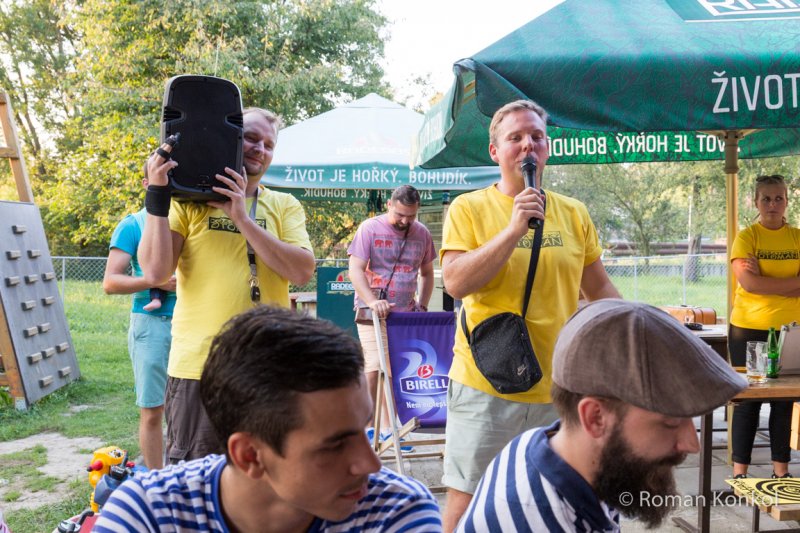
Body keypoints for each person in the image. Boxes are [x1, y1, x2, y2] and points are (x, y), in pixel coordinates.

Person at [93, 306, 443, 533]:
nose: (371, 463)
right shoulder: (149, 515)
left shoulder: (396, 514)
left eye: (364, 428)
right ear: (250, 456)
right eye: (335, 445)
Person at [438, 99, 621, 529]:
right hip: (486, 383)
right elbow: (455, 283)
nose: (527, 145)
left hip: (558, 386)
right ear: (495, 151)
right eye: (515, 137)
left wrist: (638, 329)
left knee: (555, 497)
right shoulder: (468, 208)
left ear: (548, 148)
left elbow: (599, 290)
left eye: (537, 136)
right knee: (467, 500)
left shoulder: (573, 213)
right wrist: (513, 229)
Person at [457, 299, 748, 531]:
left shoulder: (538, 445)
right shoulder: (544, 521)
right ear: (595, 417)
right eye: (671, 421)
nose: (692, 444)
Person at [139, 107, 315, 463]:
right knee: (196, 475)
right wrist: (157, 194)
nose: (260, 149)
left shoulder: (284, 204)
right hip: (199, 367)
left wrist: (241, 217)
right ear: (230, 139)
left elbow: (301, 271)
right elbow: (155, 272)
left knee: (267, 471)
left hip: (268, 366)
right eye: (250, 138)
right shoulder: (189, 202)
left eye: (269, 144)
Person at [348, 184, 436, 442]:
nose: (405, 221)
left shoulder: (422, 233)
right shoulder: (369, 228)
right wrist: (372, 301)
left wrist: (422, 305)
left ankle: (389, 430)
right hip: (371, 313)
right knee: (376, 366)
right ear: (389, 205)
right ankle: (367, 428)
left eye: (411, 216)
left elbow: (427, 274)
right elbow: (355, 270)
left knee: (396, 369)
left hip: (405, 316)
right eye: (400, 215)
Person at [102, 173, 176, 469]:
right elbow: (110, 282)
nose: (169, 183)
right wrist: (155, 281)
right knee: (153, 410)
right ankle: (156, 481)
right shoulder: (133, 224)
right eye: (161, 178)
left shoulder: (193, 217)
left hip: (195, 322)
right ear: (147, 183)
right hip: (152, 322)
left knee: (193, 410)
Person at [729, 174, 800, 479]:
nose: (773, 204)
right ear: (756, 202)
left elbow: (759, 283)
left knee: (784, 402)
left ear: (787, 201)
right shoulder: (747, 238)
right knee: (749, 402)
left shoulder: (797, 237)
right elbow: (749, 284)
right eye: (766, 199)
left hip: (790, 332)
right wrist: (792, 285)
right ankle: (740, 474)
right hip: (749, 328)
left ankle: (781, 473)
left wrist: (765, 281)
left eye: (778, 198)